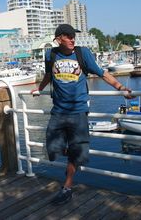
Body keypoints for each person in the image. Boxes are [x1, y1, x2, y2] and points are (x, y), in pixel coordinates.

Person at [31, 24, 133, 205]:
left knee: (76, 152)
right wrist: (38, 89)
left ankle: (67, 187)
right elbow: (48, 75)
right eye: (68, 36)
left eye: (73, 36)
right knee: (53, 149)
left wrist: (121, 87)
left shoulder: (82, 53)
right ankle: (73, 154)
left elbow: (103, 74)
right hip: (59, 110)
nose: (72, 39)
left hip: (78, 111)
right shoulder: (51, 54)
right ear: (58, 38)